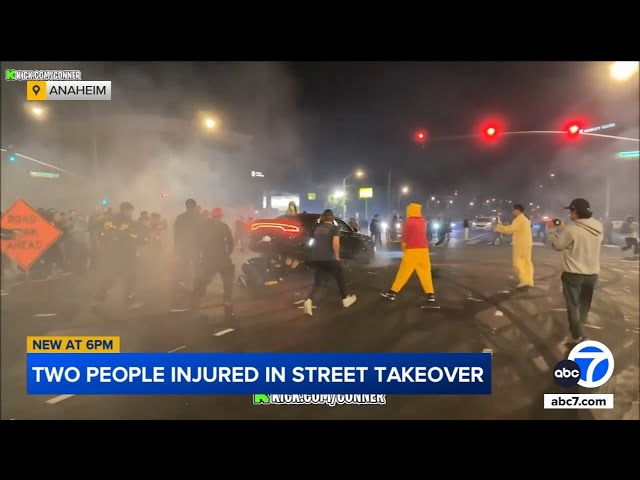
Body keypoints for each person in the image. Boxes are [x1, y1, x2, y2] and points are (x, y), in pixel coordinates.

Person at [547, 198, 603, 343]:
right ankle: (580, 329)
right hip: (592, 274)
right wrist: (564, 228)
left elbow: (558, 246)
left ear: (576, 212)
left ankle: (577, 335)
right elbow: (579, 236)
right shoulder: (598, 228)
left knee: (573, 305)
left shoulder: (572, 231)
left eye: (571, 211)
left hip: (573, 274)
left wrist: (551, 230)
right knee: (584, 305)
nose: (570, 214)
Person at [303, 209, 356, 316]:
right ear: (332, 217)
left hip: (317, 258)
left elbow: (312, 240)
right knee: (340, 276)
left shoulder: (317, 228)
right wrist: (336, 256)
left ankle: (309, 301)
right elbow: (335, 243)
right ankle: (345, 299)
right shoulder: (334, 228)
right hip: (329, 258)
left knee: (319, 282)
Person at [381, 203, 435, 303]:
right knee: (425, 273)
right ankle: (430, 294)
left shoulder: (408, 222)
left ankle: (392, 292)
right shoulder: (423, 221)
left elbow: (405, 238)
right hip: (423, 250)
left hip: (412, 250)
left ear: (410, 211)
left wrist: (404, 249)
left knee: (404, 272)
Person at [92, 201, 143, 308]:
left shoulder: (127, 222)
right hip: (118, 254)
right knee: (116, 277)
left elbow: (134, 237)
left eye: (131, 212)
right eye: (129, 211)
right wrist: (101, 244)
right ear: (123, 210)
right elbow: (96, 228)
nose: (130, 213)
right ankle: (100, 298)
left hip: (126, 254)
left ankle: (100, 298)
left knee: (126, 277)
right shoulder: (111, 221)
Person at [191, 208, 235, 319]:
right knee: (228, 280)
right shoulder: (224, 226)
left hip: (208, 258)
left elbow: (197, 241)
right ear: (221, 216)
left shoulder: (204, 226)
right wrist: (227, 254)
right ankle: (227, 300)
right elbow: (230, 243)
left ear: (211, 215)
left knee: (202, 280)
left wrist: (203, 252)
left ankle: (195, 301)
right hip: (222, 258)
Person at [495, 204, 534, 290]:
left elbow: (510, 230)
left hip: (521, 244)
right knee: (527, 262)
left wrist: (498, 227)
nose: (512, 212)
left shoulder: (519, 219)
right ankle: (529, 280)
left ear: (518, 211)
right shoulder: (525, 219)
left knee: (518, 262)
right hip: (526, 244)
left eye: (513, 210)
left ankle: (524, 280)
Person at [173, 199, 200, 291]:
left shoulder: (180, 217)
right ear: (194, 206)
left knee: (183, 264)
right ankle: (197, 283)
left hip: (185, 246)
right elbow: (204, 233)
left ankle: (181, 282)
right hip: (195, 246)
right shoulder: (198, 218)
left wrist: (176, 247)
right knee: (196, 265)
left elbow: (176, 234)